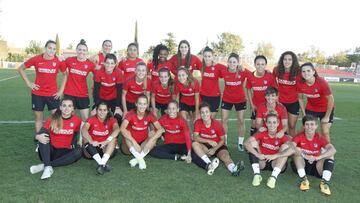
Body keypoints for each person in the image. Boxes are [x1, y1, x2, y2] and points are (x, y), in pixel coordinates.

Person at [18, 40, 67, 133]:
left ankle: (56, 138)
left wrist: (61, 91)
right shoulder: (36, 59)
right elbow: (21, 69)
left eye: (54, 49)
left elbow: (65, 75)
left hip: (53, 94)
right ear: (45, 48)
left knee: (57, 116)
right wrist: (29, 83)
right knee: (38, 117)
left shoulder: (58, 61)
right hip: (38, 94)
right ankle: (39, 137)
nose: (51, 51)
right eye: (49, 48)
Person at [29, 99, 82, 179]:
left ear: (73, 108)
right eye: (64, 106)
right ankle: (47, 165)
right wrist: (37, 136)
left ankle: (45, 166)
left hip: (64, 153)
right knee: (43, 136)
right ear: (60, 107)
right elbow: (41, 132)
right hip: (50, 152)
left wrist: (74, 144)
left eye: (69, 106)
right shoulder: (53, 118)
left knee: (79, 151)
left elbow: (75, 134)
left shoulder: (77, 120)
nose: (66, 108)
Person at [192, 103, 244, 176]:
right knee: (195, 144)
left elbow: (223, 140)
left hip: (218, 146)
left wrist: (214, 149)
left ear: (210, 113)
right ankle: (209, 163)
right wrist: (208, 141)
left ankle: (233, 169)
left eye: (206, 112)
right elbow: (195, 137)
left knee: (225, 156)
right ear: (200, 114)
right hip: (205, 146)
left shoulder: (217, 124)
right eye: (202, 112)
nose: (204, 114)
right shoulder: (198, 123)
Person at [290, 115, 336, 195]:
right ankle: (304, 180)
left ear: (316, 126)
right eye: (307, 124)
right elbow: (291, 146)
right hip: (302, 164)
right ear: (304, 126)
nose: (309, 127)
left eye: (312, 124)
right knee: (297, 150)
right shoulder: (299, 136)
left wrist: (318, 157)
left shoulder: (320, 137)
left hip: (316, 165)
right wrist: (304, 155)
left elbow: (333, 150)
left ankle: (324, 183)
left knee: (330, 155)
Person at [244, 113, 292, 189]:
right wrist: (257, 154)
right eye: (269, 122)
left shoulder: (281, 135)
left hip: (276, 162)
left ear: (278, 123)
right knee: (252, 143)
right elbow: (246, 143)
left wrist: (276, 155)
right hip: (262, 161)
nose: (272, 125)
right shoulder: (262, 133)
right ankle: (257, 175)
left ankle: (273, 177)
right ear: (266, 123)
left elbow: (294, 149)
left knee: (285, 146)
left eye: (274, 122)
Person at [62, 39, 96, 143]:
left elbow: (98, 75)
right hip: (69, 94)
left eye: (84, 50)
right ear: (76, 50)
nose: (82, 52)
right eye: (80, 49)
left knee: (85, 119)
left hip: (83, 94)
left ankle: (82, 140)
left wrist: (95, 86)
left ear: (87, 52)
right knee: (67, 117)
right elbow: (61, 69)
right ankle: (66, 138)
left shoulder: (89, 64)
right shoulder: (69, 60)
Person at [120, 95, 164, 170]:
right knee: (126, 132)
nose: (142, 106)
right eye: (140, 103)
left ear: (147, 105)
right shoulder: (131, 114)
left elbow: (161, 129)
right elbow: (122, 128)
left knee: (154, 134)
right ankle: (140, 159)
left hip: (143, 143)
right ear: (136, 104)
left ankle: (138, 159)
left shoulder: (149, 114)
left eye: (144, 104)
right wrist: (134, 142)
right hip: (130, 146)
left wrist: (150, 141)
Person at [297, 62, 335, 142]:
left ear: (313, 72)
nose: (306, 73)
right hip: (311, 107)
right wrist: (304, 114)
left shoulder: (322, 82)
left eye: (308, 71)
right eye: (303, 71)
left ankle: (328, 152)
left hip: (325, 108)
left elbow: (331, 99)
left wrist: (327, 116)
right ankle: (303, 148)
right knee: (304, 129)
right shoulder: (300, 83)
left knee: (324, 131)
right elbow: (300, 98)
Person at [220, 53, 250, 151]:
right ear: (227, 63)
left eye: (234, 62)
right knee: (224, 120)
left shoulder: (242, 72)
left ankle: (240, 143)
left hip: (240, 99)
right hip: (227, 99)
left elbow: (254, 75)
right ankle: (224, 142)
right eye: (230, 62)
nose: (232, 64)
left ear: (238, 63)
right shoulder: (224, 71)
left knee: (241, 121)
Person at [82, 102, 120, 175]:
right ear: (96, 110)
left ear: (108, 111)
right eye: (100, 110)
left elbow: (117, 129)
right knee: (85, 137)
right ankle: (102, 164)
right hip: (92, 148)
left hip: (105, 148)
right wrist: (91, 141)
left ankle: (102, 162)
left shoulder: (112, 119)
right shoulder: (91, 119)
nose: (102, 112)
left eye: (104, 110)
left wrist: (106, 141)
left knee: (113, 139)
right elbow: (83, 129)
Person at [246, 55, 277, 136]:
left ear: (265, 65)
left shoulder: (270, 76)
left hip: (268, 105)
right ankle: (252, 142)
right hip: (255, 105)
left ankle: (265, 143)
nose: (260, 66)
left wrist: (273, 105)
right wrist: (251, 105)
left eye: (262, 64)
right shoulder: (250, 76)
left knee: (267, 124)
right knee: (254, 124)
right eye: (258, 64)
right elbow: (248, 89)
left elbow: (275, 92)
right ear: (254, 64)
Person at [273, 51, 301, 136]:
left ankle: (292, 145)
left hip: (294, 102)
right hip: (280, 102)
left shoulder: (298, 72)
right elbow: (273, 82)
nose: (287, 61)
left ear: (293, 61)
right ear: (282, 60)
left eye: (289, 59)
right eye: (285, 59)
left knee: (292, 126)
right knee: (280, 125)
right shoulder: (277, 70)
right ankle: (282, 145)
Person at [200, 46, 226, 118]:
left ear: (212, 57)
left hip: (215, 96)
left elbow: (229, 69)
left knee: (212, 117)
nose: (207, 58)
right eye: (205, 56)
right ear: (203, 56)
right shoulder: (201, 66)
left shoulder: (218, 66)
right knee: (204, 117)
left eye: (209, 56)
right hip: (203, 96)